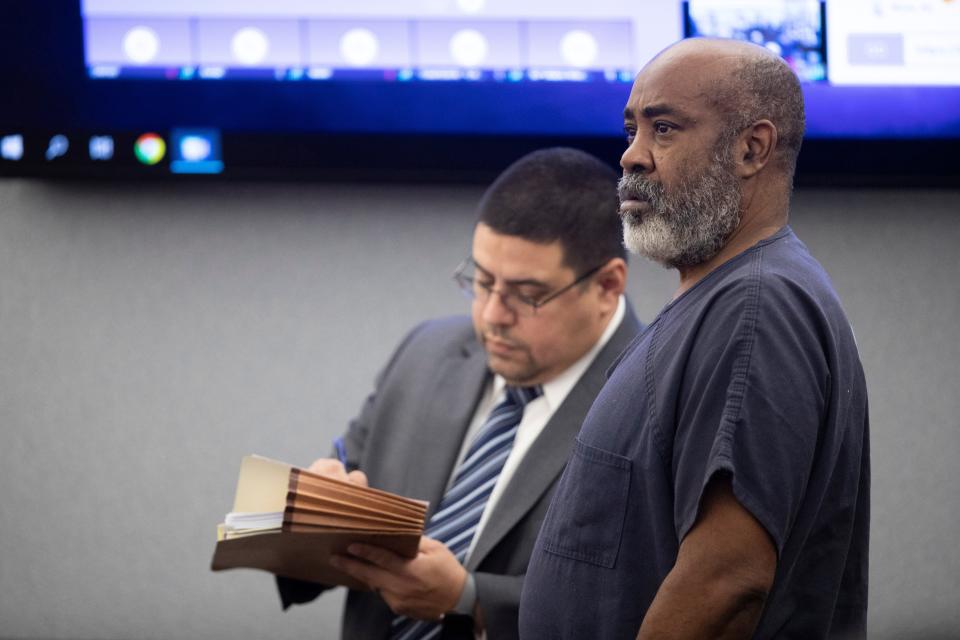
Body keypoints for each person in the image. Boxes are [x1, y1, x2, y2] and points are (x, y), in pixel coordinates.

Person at [519, 39, 870, 639]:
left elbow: (728, 581)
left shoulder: (759, 308)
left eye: (664, 128)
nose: (631, 156)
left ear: (750, 148)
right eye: (630, 129)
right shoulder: (723, 300)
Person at [277, 147, 642, 640]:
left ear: (606, 287)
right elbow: (334, 514)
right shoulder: (426, 352)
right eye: (482, 281)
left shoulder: (654, 404)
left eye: (526, 295)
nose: (492, 315)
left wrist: (469, 601)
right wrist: (313, 520)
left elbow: (637, 606)